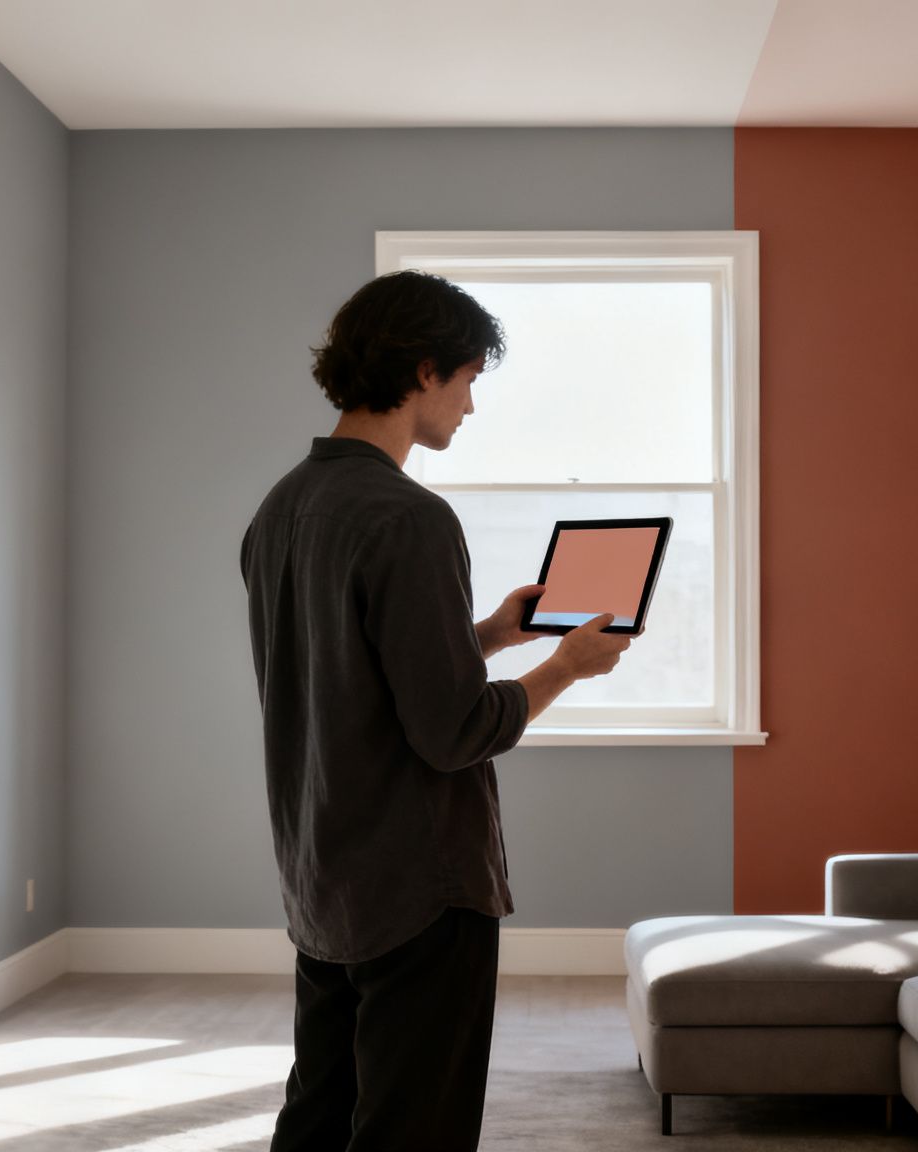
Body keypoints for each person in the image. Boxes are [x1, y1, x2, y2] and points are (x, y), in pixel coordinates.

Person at [241, 269, 634, 1151]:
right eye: (467, 382)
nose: (469, 406)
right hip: (421, 887)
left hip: (326, 872)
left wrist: (489, 635)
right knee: (415, 1127)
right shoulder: (410, 517)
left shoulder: (282, 508)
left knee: (319, 1115)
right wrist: (567, 665)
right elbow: (454, 732)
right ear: (425, 372)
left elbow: (354, 678)